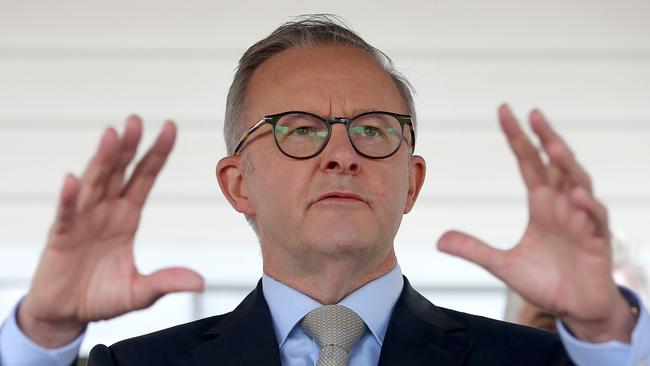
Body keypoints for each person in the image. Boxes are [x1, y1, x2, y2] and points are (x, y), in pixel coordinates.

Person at [1, 15, 648, 366]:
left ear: (411, 182)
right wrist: (44, 333)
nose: (342, 154)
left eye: (372, 129)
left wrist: (603, 331)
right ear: (237, 185)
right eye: (300, 130)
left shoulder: (540, 365)